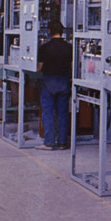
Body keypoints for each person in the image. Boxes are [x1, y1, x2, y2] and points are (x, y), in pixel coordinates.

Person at [35, 20, 72, 151]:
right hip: (64, 82)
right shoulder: (69, 47)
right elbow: (73, 66)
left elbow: (39, 68)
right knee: (62, 113)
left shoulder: (44, 48)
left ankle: (49, 143)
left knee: (48, 113)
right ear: (62, 31)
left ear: (49, 31)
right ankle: (62, 142)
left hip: (49, 82)